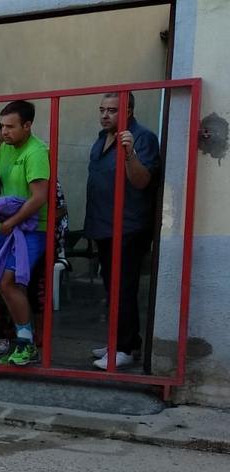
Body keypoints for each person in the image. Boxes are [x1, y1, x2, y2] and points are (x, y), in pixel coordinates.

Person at [85, 92, 160, 370]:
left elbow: (142, 181)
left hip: (128, 227)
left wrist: (130, 155)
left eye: (113, 110)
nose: (106, 115)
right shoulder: (101, 138)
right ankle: (123, 341)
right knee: (112, 286)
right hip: (104, 225)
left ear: (128, 111)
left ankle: (125, 348)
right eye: (102, 109)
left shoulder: (142, 138)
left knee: (122, 288)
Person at [0, 100, 51, 367]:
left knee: (8, 283)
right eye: (1, 126)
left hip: (31, 229)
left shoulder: (36, 152)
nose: (4, 132)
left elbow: (39, 197)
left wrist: (11, 222)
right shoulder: (3, 150)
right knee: (5, 284)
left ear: (27, 125)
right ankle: (24, 341)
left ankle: (26, 344)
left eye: (11, 127)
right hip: (11, 226)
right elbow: (6, 182)